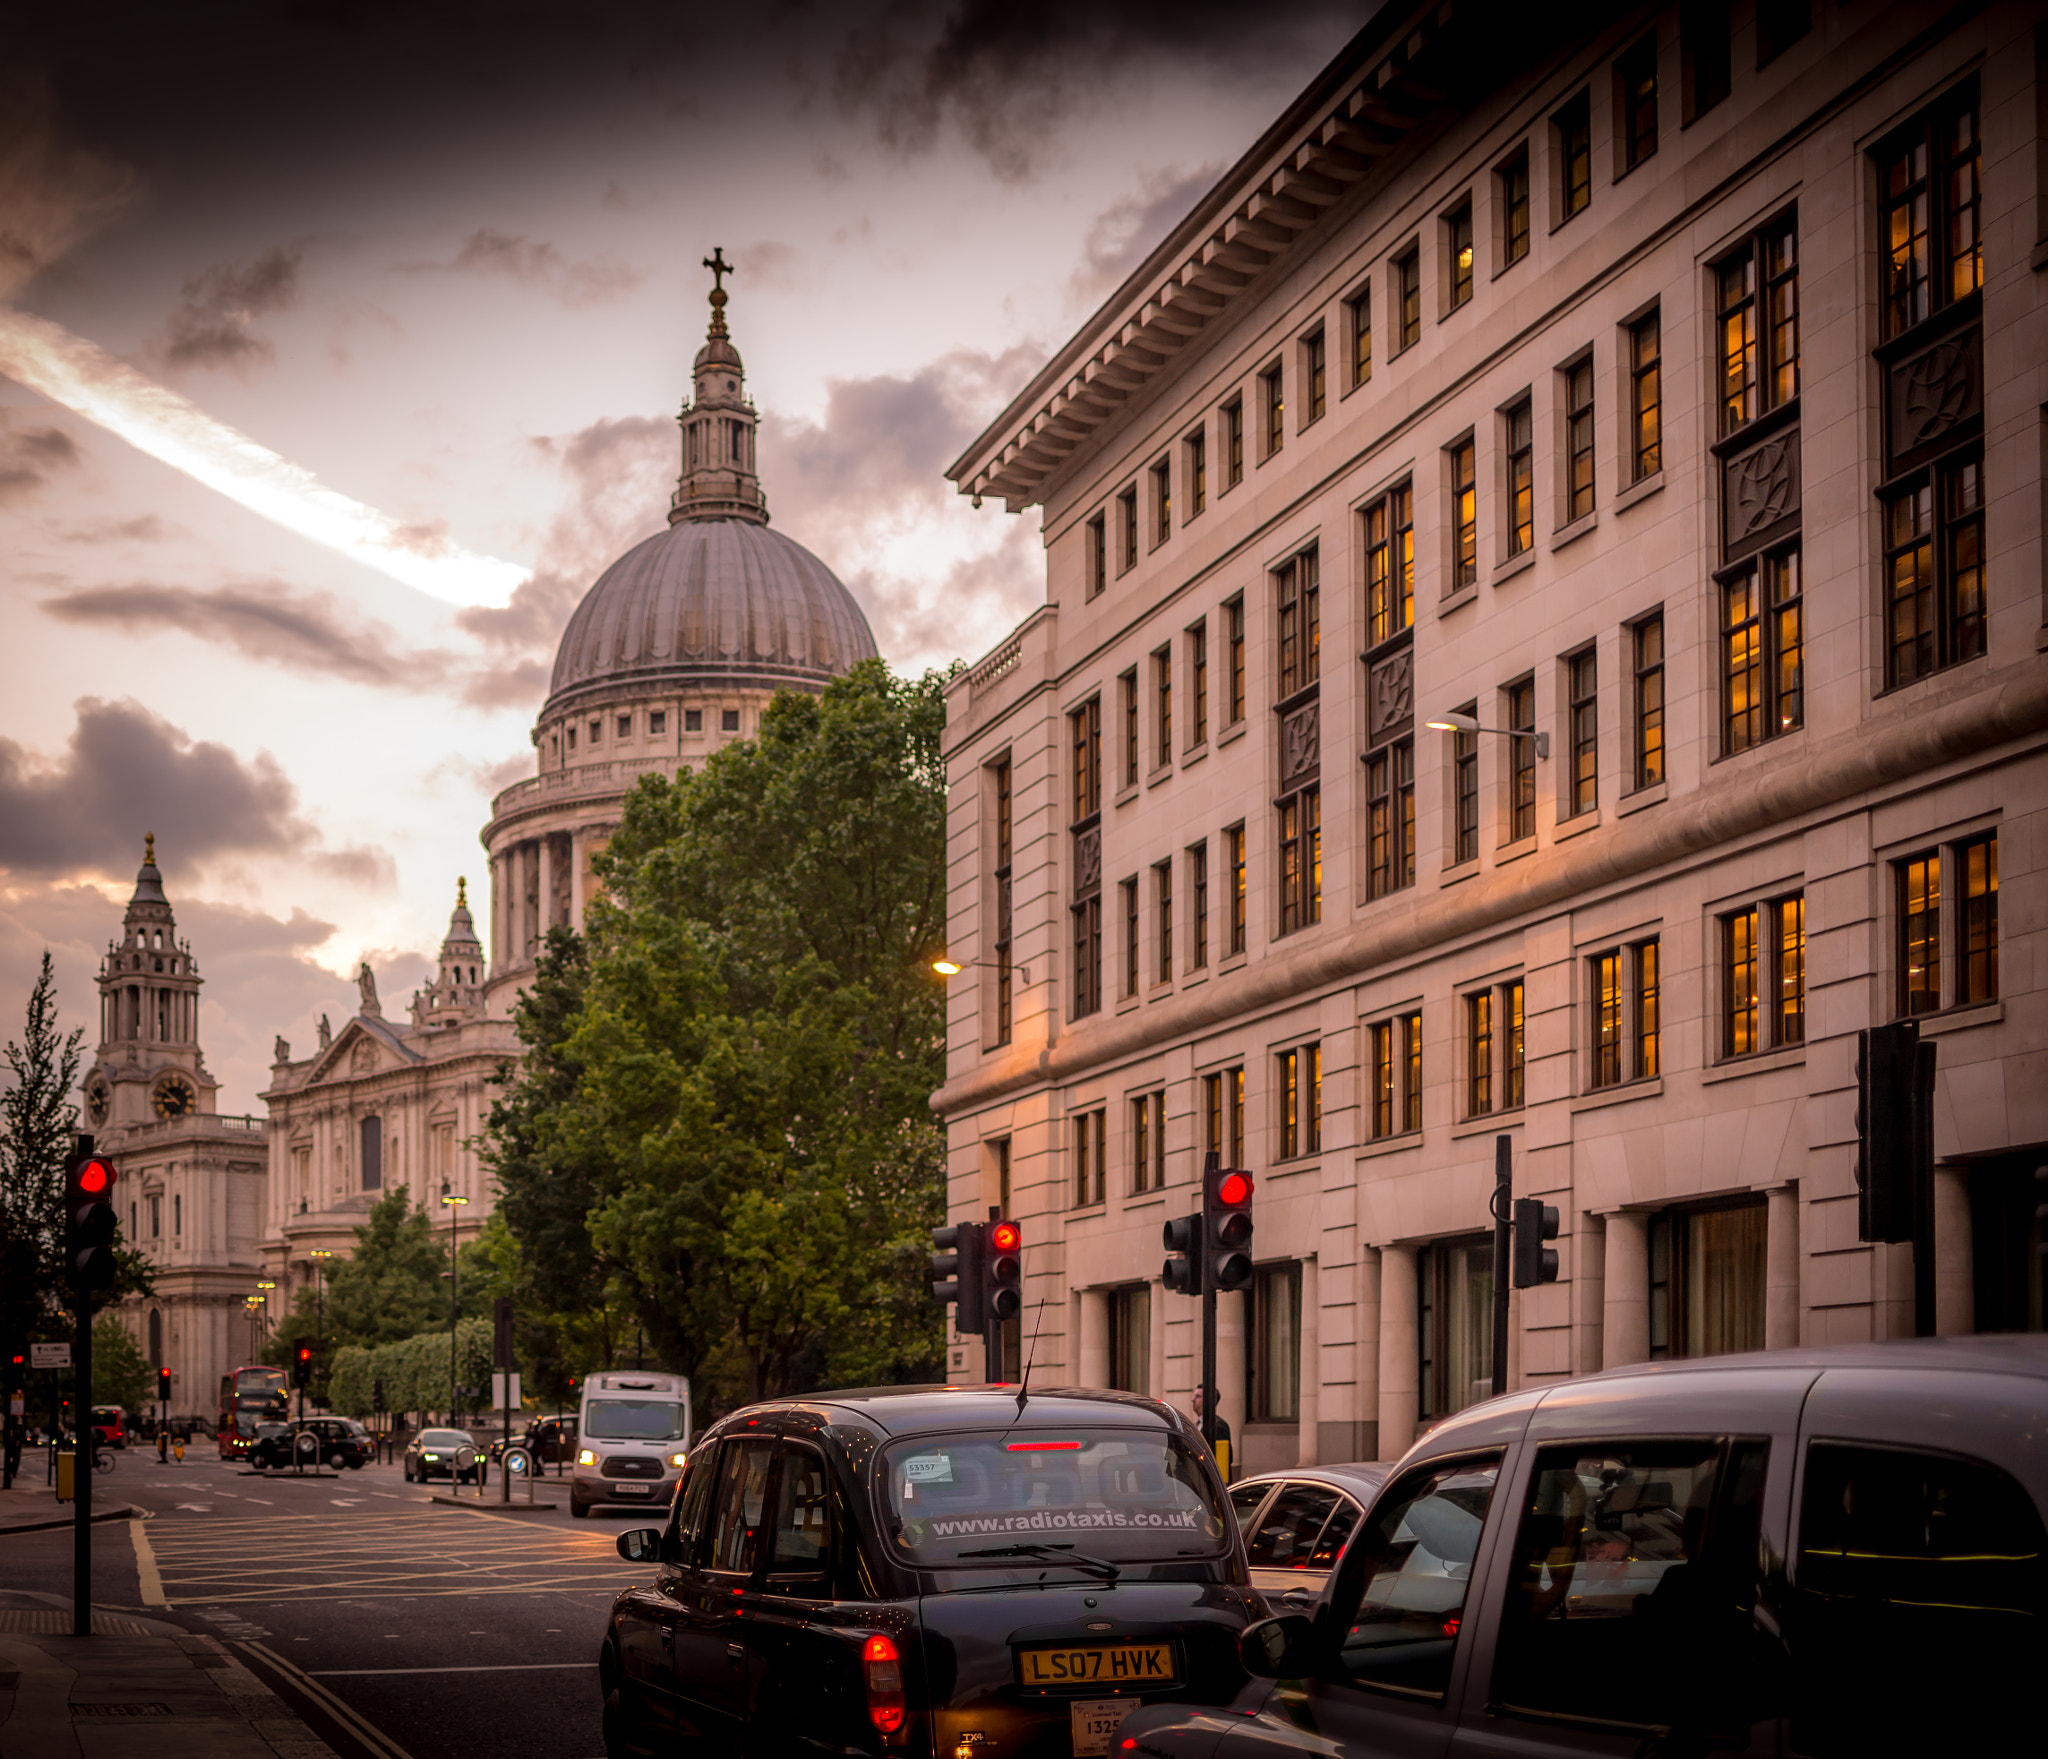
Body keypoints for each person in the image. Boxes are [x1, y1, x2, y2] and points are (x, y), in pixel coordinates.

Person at [1192, 1384, 1234, 1483]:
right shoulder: (1196, 1424)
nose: (1193, 1399)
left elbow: (1223, 1460)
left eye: (1198, 1397)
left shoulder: (1219, 1426)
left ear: (1208, 1401)